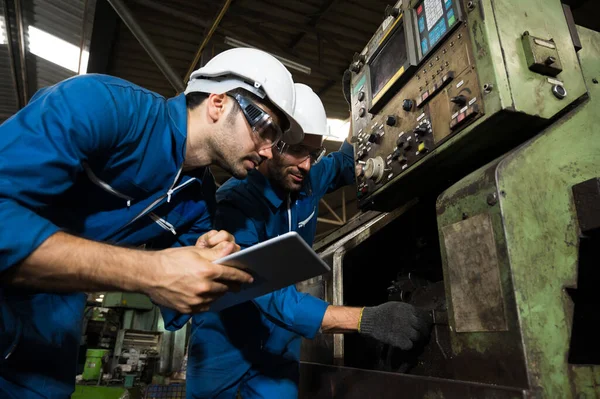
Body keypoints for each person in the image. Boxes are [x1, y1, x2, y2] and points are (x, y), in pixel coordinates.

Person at [0, 47, 304, 399]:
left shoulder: (199, 204)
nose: (269, 151)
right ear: (218, 103)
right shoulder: (102, 106)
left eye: (276, 140)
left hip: (46, 335)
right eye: (265, 128)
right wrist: (149, 270)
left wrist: (211, 271)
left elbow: (176, 302)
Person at [179, 84, 432, 398]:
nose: (307, 165)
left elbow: (348, 158)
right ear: (269, 142)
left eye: (314, 153)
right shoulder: (236, 203)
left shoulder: (307, 180)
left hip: (278, 347)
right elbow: (263, 288)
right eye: (297, 151)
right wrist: (364, 318)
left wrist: (361, 97)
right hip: (224, 346)